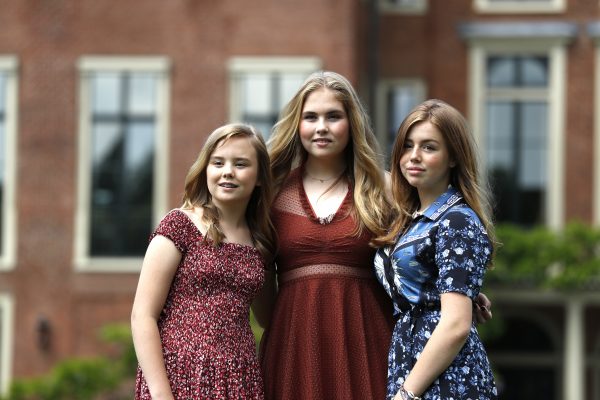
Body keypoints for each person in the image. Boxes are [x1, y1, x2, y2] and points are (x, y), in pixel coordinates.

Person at [254, 72, 492, 400]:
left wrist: (459, 293)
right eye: (311, 117)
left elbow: (426, 249)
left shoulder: (388, 189)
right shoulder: (270, 195)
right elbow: (263, 311)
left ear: (352, 123)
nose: (321, 126)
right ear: (297, 124)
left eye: (333, 116)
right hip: (293, 346)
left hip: (369, 344)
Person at [131, 123, 277, 400]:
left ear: (259, 177)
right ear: (206, 169)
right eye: (218, 162)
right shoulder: (179, 225)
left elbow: (267, 316)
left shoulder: (261, 242)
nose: (227, 172)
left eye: (241, 163)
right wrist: (161, 394)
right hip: (179, 374)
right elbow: (142, 316)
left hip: (239, 379)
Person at [374, 99, 497, 400]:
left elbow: (455, 324)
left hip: (447, 378)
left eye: (429, 147)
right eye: (407, 146)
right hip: (411, 364)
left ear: (453, 157)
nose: (413, 157)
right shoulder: (410, 218)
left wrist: (407, 395)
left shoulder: (456, 220)